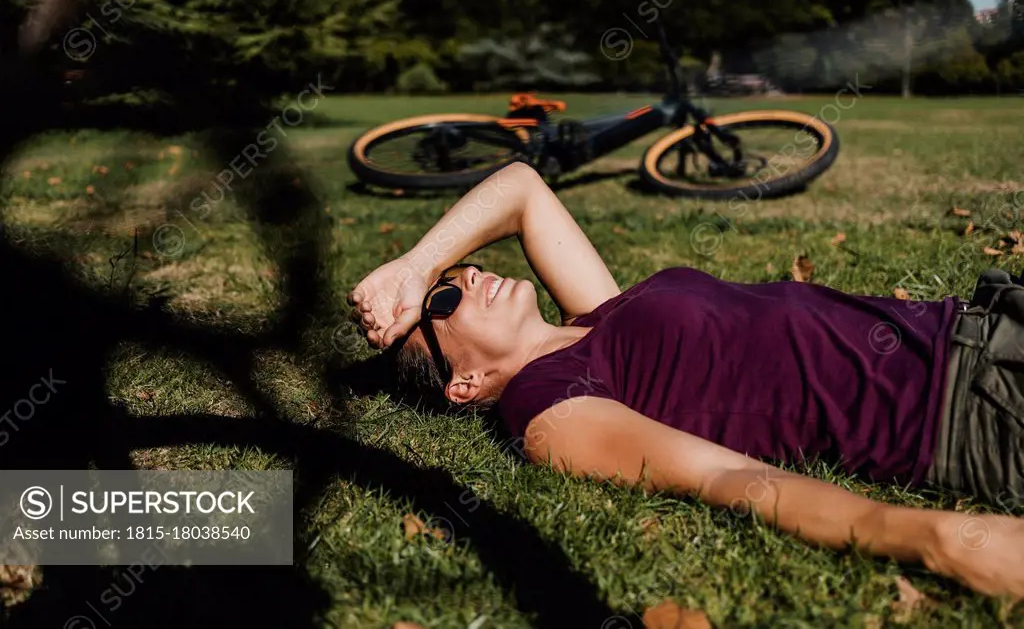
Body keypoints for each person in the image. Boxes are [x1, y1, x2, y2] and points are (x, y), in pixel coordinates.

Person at [347, 162, 1024, 600]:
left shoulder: (596, 315)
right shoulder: (551, 411)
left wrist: (415, 266)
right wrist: (934, 539)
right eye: (443, 302)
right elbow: (727, 480)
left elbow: (522, 187)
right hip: (972, 402)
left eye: (456, 274)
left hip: (981, 323)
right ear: (463, 383)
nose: (463, 278)